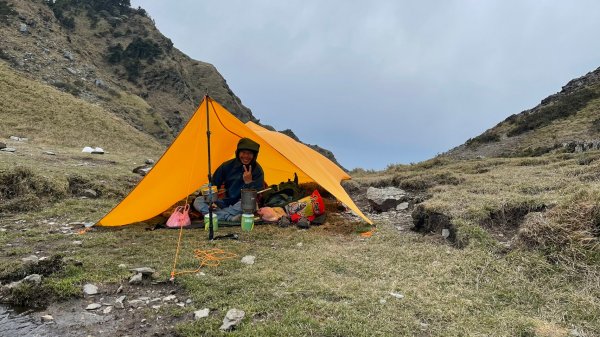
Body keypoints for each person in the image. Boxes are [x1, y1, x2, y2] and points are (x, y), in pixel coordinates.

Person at [193, 138, 265, 221]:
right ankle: (229, 218)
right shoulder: (227, 166)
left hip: (242, 204)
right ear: (238, 153)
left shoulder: (258, 171)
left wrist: (248, 182)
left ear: (254, 155)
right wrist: (211, 200)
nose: (246, 156)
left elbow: (257, 196)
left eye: (249, 153)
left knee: (250, 203)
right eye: (243, 152)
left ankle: (217, 215)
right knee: (198, 201)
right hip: (226, 202)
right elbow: (213, 184)